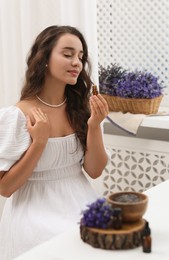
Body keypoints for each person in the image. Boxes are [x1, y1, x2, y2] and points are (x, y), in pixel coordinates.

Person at [0, 25, 109, 259]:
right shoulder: (17, 115)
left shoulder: (78, 109)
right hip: (34, 213)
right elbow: (5, 188)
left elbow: (95, 170)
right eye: (68, 54)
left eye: (80, 57)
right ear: (45, 59)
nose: (77, 63)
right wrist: (38, 143)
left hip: (80, 203)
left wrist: (94, 125)